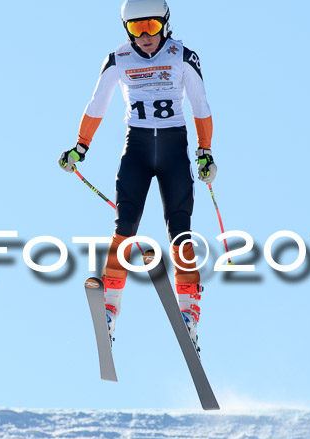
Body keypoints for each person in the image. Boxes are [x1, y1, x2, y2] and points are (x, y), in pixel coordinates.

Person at [58, 0, 217, 351]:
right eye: (135, 28)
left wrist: (205, 151)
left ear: (164, 24)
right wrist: (79, 147)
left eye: (151, 26)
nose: (145, 36)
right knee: (124, 227)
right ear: (126, 29)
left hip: (174, 148)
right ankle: (110, 308)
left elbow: (200, 104)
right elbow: (96, 104)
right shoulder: (119, 59)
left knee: (180, 230)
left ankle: (189, 312)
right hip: (138, 149)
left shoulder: (181, 56)